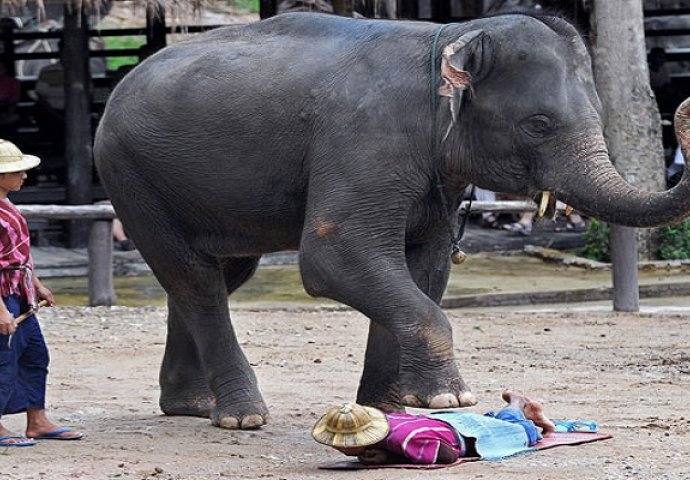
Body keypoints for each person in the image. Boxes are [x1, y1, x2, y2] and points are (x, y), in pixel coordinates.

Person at [0, 139, 84, 447]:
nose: (23, 176)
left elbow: (18, 257)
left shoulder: (8, 206)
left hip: (20, 291)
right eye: (17, 171)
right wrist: (1, 311)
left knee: (35, 355)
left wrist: (37, 285)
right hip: (2, 296)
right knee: (2, 358)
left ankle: (37, 420)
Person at [312, 390, 555, 465]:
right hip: (448, 421)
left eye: (344, 443)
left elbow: (447, 456)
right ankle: (520, 412)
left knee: (523, 433)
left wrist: (391, 457)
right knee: (495, 420)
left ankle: (518, 404)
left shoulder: (405, 441)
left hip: (467, 435)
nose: (339, 448)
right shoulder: (387, 421)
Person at [0, 62, 20, 128]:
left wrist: (9, 114)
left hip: (7, 112)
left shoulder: (13, 82)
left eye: (0, 69)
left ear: (4, 70)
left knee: (14, 118)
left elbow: (14, 100)